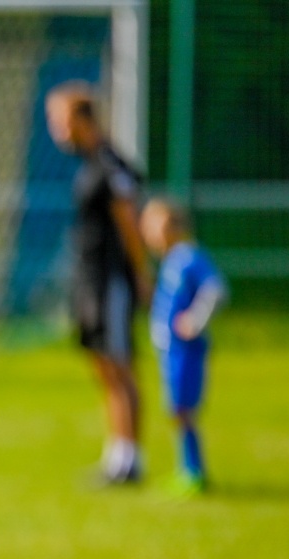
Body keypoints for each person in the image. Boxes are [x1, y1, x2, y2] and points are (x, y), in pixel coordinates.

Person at [45, 82, 154, 485]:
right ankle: (116, 455)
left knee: (120, 364)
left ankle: (131, 460)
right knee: (104, 366)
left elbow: (128, 219)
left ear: (81, 119)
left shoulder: (110, 163)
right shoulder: (91, 163)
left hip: (111, 280)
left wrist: (141, 274)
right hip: (90, 280)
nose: (56, 129)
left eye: (59, 120)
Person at [141, 196, 226, 495]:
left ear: (174, 226)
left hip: (186, 352)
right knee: (176, 410)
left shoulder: (189, 257)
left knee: (183, 409)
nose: (149, 233)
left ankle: (193, 471)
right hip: (171, 352)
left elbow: (215, 289)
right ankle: (186, 469)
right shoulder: (171, 261)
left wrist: (195, 320)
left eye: (155, 226)